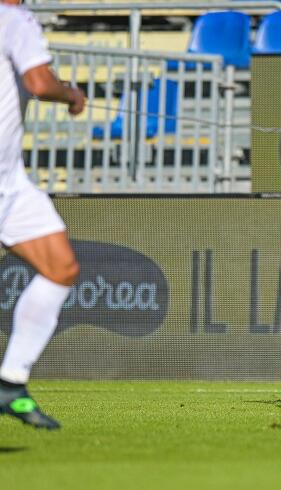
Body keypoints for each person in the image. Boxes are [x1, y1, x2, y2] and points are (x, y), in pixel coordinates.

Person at [0, 0, 85, 429]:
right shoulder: (14, 18)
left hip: (9, 183)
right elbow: (38, 81)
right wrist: (70, 93)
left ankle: (11, 382)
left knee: (61, 268)